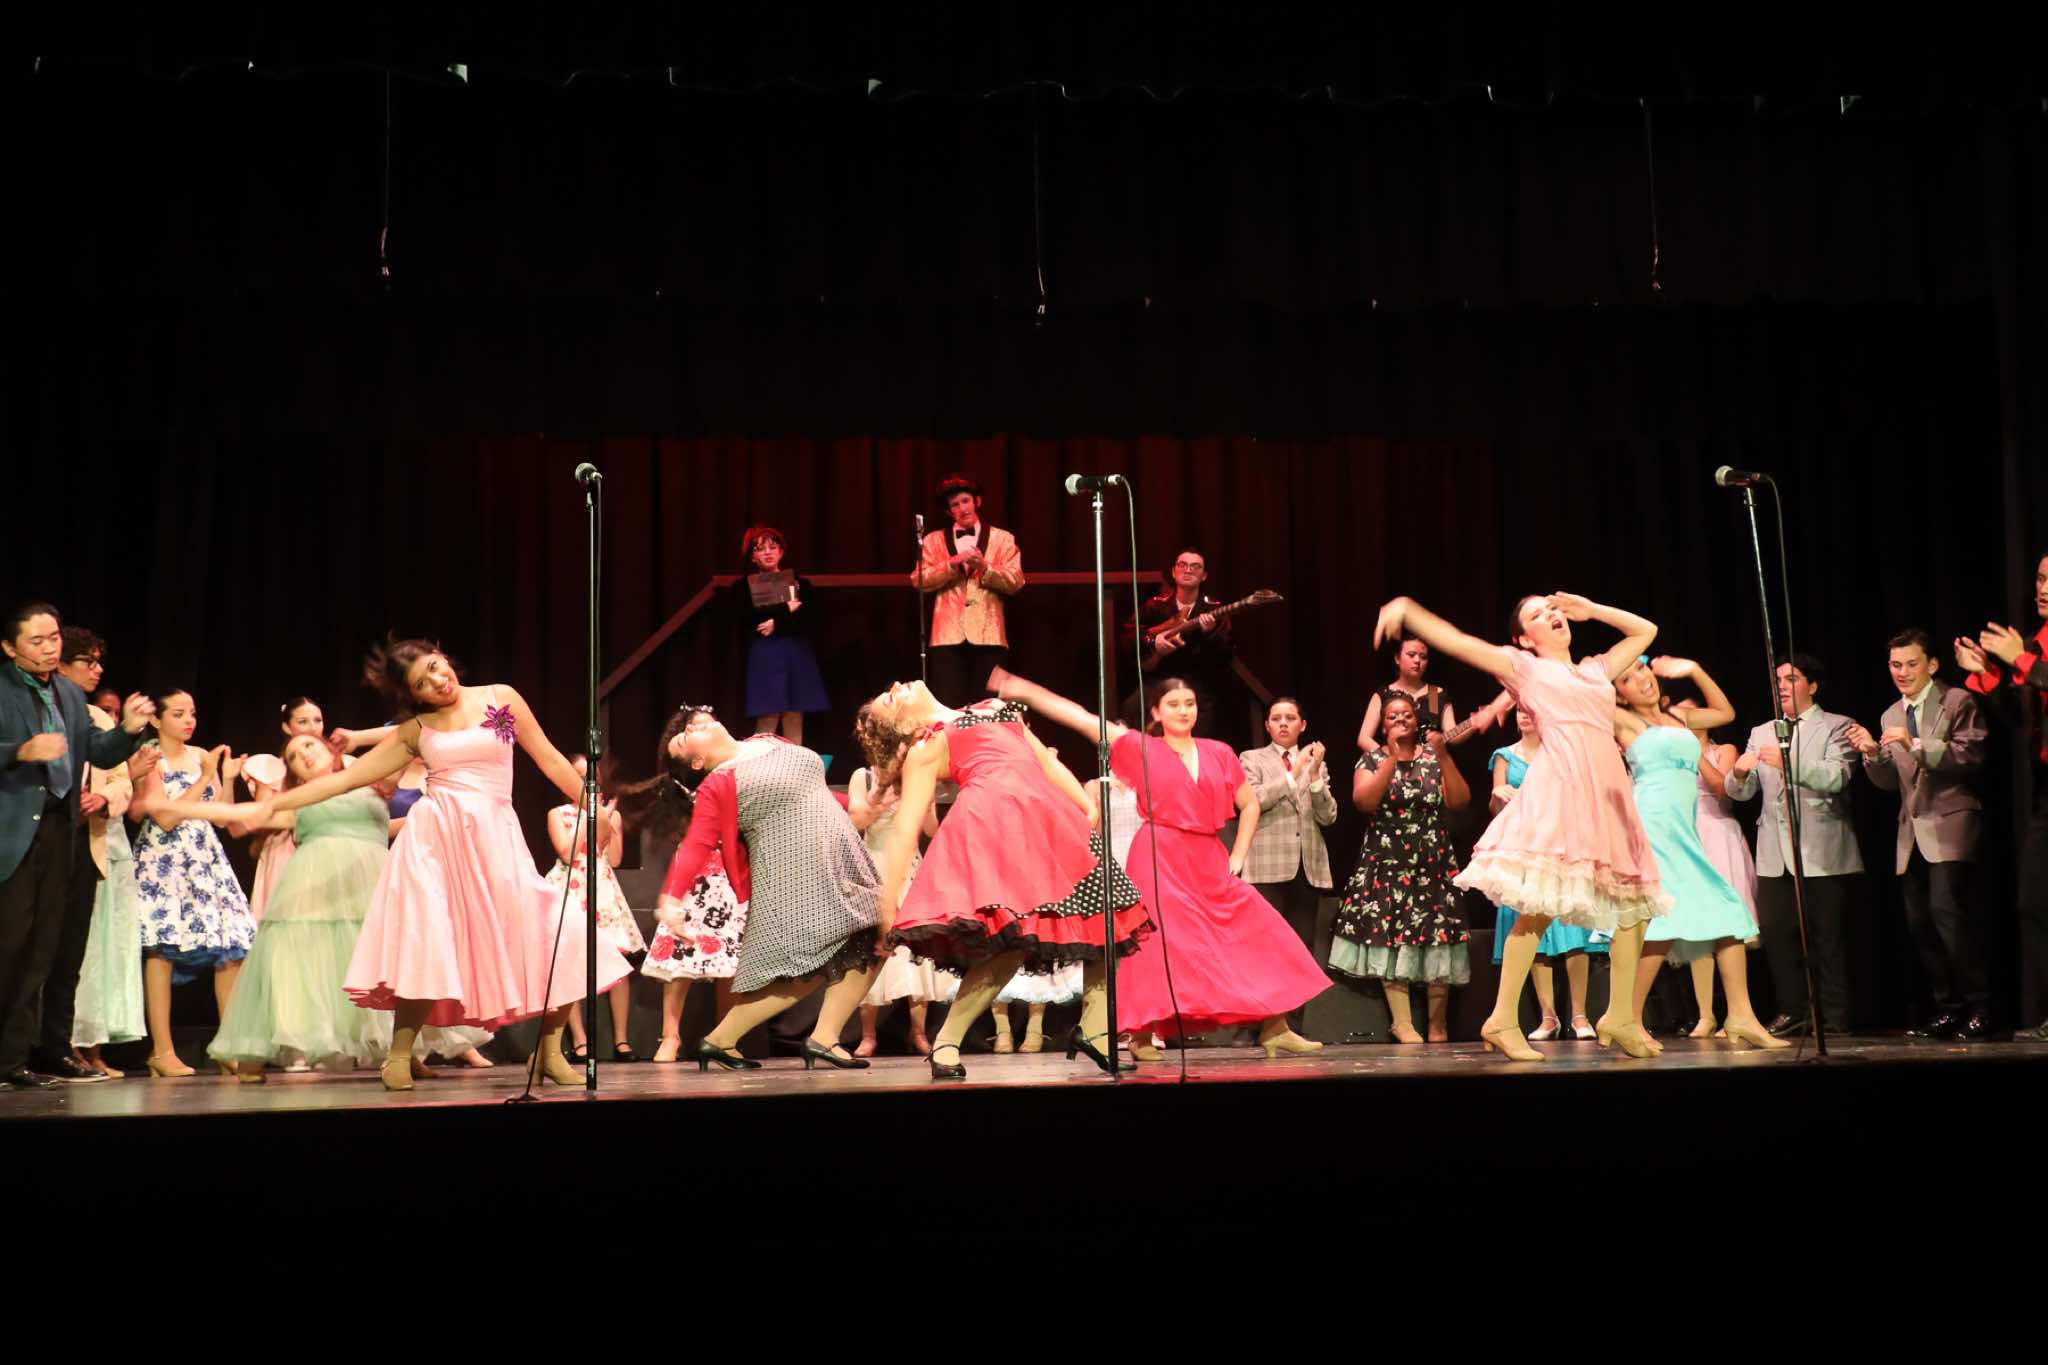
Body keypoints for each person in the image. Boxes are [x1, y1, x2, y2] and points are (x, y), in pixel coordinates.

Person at [244, 638, 633, 1091]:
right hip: (436, 838)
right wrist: (275, 805)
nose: (436, 681)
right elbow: (346, 779)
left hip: (496, 839)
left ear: (444, 657)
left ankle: (548, 1052)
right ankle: (399, 1054)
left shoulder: (499, 699)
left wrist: (591, 806)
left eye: (434, 666)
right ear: (414, 696)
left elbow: (548, 759)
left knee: (559, 931)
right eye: (421, 684)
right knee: (430, 938)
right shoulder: (417, 730)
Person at [1370, 592, 1668, 1062]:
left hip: (1609, 793)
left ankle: (1620, 1016)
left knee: (1636, 904)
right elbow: (1458, 641)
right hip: (1564, 788)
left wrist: (1592, 610)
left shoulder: (1595, 669)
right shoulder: (1524, 667)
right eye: (1537, 615)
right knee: (1539, 907)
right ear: (1524, 638)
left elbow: (1646, 630)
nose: (1551, 616)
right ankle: (1503, 1017)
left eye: (1552, 609)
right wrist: (1408, 610)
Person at [988, 670, 1327, 1060]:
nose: (1183, 711)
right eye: (1174, 704)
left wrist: (1238, 855)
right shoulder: (1141, 747)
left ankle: (1275, 1027)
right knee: (1158, 944)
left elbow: (1249, 804)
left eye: (1189, 704)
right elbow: (1080, 717)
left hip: (1208, 857)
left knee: (1258, 928)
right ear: (1156, 712)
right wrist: (1022, 689)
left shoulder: (1218, 751)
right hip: (1158, 855)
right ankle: (1141, 1035)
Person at [856, 678, 1149, 1078]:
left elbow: (1045, 761)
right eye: (891, 699)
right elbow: (905, 828)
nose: (895, 685)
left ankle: (1096, 1030)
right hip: (999, 828)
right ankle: (947, 1041)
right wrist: (887, 905)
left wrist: (1084, 804)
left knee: (1105, 916)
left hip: (1051, 821)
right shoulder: (926, 747)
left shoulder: (994, 708)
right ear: (906, 726)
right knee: (1012, 941)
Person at [642, 707, 883, 1072]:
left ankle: (738, 1039)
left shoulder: (766, 740)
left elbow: (809, 792)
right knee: (820, 959)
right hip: (793, 875)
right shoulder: (718, 783)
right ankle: (744, 1039)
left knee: (871, 940)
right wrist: (671, 899)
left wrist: (864, 809)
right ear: (698, 761)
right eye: (684, 738)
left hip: (835, 861)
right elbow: (696, 844)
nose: (690, 727)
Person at [1, 604, 152, 1091]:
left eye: (54, 639)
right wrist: (19, 752)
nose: (49, 648)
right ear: (9, 648)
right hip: (14, 832)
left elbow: (98, 752)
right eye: (37, 641)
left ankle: (20, 1058)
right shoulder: (2, 689)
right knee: (11, 945)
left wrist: (127, 729)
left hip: (60, 831)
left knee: (46, 949)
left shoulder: (68, 693)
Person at [1612, 656, 1788, 1049]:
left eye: (1642, 669)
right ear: (1619, 695)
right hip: (1653, 827)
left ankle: (1739, 1016)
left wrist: (1693, 670)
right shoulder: (1623, 720)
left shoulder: (1679, 717)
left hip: (1684, 829)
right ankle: (1627, 1017)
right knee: (1676, 920)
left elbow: (1726, 712)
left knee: (1722, 913)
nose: (1642, 679)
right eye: (1628, 678)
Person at [1849, 628, 1991, 1041]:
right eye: (1896, 665)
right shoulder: (1890, 715)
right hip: (1911, 832)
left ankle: (1981, 1005)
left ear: (1932, 664)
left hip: (1951, 820)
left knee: (1948, 912)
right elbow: (1889, 782)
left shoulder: (1956, 701)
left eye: (1912, 664)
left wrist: (1917, 743)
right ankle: (1948, 1008)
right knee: (1919, 922)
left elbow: (1971, 754)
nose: (1903, 672)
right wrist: (1873, 755)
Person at [1723, 654, 1865, 1038]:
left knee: (1828, 937)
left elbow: (1837, 776)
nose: (1782, 686)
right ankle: (1793, 1010)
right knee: (1778, 934)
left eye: (1792, 679)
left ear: (1813, 686)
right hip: (1775, 853)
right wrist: (1738, 775)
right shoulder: (1762, 732)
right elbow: (1742, 791)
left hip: (1822, 851)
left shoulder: (1837, 726)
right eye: (1778, 680)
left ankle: (1835, 1016)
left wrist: (1788, 764)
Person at [1331, 694, 1473, 1042]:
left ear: (1416, 720)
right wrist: (1392, 760)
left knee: (1439, 936)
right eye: (1392, 716)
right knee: (1390, 934)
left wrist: (1443, 755)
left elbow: (1459, 801)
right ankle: (1402, 1022)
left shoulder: (1434, 758)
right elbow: (1364, 801)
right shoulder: (1372, 759)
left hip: (1432, 861)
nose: (1400, 720)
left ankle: (1438, 1023)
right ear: (1383, 725)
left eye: (1406, 715)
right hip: (1388, 860)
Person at [130, 688, 257, 1076]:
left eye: (192, 713)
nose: (189, 721)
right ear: (156, 719)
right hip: (164, 859)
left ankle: (228, 1045)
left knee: (230, 947)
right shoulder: (148, 756)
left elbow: (221, 816)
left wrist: (226, 779)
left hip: (204, 857)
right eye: (179, 713)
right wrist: (203, 778)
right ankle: (162, 1050)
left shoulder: (201, 754)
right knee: (162, 950)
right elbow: (165, 818)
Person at [1957, 551, 2048, 1040]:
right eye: (2040, 579)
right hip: (2044, 790)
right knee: (2035, 903)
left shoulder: (2029, 650)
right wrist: (1987, 674)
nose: (2043, 589)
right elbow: (2017, 718)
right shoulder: (2034, 641)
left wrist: (2021, 660)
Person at [1486, 708, 1607, 1041]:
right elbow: (1496, 810)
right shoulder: (1505, 756)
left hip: (1560, 840)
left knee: (1572, 929)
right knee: (1531, 927)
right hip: (1523, 844)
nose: (1524, 716)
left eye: (1531, 711)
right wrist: (1497, 797)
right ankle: (1548, 1017)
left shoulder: (1559, 752)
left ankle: (1580, 1016)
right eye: (1519, 711)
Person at [34, 626, 119, 1082]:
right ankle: (17, 1050)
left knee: (69, 956)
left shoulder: (93, 715)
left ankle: (56, 1048)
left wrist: (103, 797)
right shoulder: (36, 706)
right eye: (88, 661)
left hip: (83, 846)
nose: (97, 670)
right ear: (61, 665)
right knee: (30, 951)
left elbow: (118, 773)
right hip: (37, 842)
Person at [847, 762, 953, 1057]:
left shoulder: (917, 777)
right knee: (872, 952)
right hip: (874, 868)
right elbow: (857, 820)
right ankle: (868, 1035)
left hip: (911, 869)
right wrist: (883, 799)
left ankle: (917, 1032)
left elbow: (931, 829)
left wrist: (927, 799)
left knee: (916, 952)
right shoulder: (864, 776)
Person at [546, 754, 647, 1063]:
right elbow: (566, 853)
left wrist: (607, 821)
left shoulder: (610, 816)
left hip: (602, 887)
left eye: (591, 777)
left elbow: (613, 859)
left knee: (617, 960)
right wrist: (588, 815)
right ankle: (579, 1040)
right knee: (568, 963)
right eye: (579, 776)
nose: (586, 782)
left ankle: (621, 1040)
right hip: (570, 885)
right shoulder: (557, 813)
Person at [1239, 697, 1339, 975]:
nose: (1283, 723)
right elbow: (1254, 801)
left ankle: (1297, 1007)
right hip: (1266, 865)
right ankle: (1264, 1005)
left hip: (1306, 866)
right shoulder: (1251, 758)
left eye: (1290, 718)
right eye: (1276, 718)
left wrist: (1315, 775)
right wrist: (1294, 772)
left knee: (1301, 949)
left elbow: (1328, 816)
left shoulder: (1316, 764)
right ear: (1267, 726)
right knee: (1263, 946)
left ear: (1302, 725)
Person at [913, 474, 1024, 706]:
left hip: (989, 635)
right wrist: (950, 565)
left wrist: (985, 568)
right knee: (947, 704)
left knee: (989, 707)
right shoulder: (933, 540)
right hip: (947, 637)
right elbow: (918, 579)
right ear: (949, 512)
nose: (962, 508)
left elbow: (1016, 581)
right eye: (955, 505)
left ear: (977, 502)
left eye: (966, 501)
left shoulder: (1003, 539)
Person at [1123, 548, 1240, 739]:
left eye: (1195, 566)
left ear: (1204, 576)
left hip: (1198, 684)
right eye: (1183, 565)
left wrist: (1209, 633)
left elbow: (1226, 654)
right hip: (1157, 681)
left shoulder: (1213, 608)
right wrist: (1153, 642)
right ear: (1173, 572)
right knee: (1132, 707)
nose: (1188, 570)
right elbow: (1128, 637)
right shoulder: (1155, 605)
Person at [730, 525, 830, 745]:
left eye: (773, 547)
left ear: (781, 552)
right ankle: (761, 764)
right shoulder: (743, 587)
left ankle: (796, 764)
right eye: (760, 549)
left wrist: (777, 623)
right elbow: (751, 618)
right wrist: (786, 608)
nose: (767, 552)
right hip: (766, 654)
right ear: (752, 557)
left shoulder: (800, 584)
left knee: (794, 713)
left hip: (795, 651)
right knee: (768, 713)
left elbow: (808, 617)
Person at [1357, 636, 1459, 752]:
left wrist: (1472, 723)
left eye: (1423, 657)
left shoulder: (1435, 694)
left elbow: (1451, 736)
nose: (1417, 660)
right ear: (1397, 658)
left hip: (1428, 762)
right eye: (1411, 655)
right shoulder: (1384, 694)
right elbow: (1364, 738)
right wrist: (1387, 758)